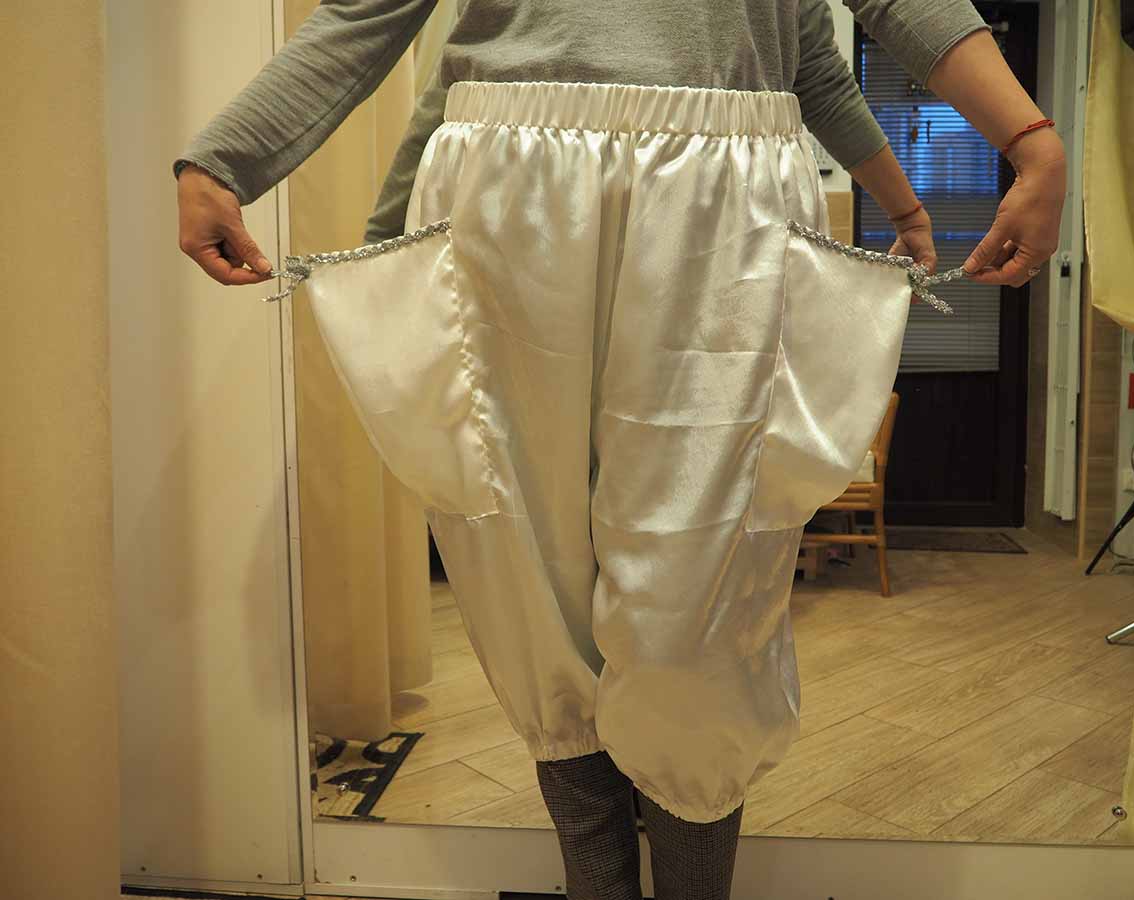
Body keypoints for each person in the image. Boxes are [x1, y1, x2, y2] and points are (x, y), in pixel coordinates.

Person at [175, 3, 1066, 899]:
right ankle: (595, 883)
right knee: (531, 580)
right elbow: (377, 16)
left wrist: (1009, 149)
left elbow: (813, 61)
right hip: (508, 177)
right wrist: (227, 160)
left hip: (722, 191)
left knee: (701, 600)